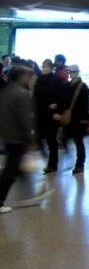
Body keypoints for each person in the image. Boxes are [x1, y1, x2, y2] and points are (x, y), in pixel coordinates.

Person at [0, 65, 44, 214]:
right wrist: (31, 139)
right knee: (11, 170)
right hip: (18, 137)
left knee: (14, 168)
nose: (29, 78)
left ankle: (30, 194)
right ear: (20, 76)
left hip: (9, 136)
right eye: (27, 75)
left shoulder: (6, 91)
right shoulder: (22, 93)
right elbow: (26, 120)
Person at [33, 59, 63, 174]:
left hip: (52, 115)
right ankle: (48, 160)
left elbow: (61, 97)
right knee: (41, 138)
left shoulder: (56, 79)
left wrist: (57, 109)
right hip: (41, 113)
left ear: (51, 67)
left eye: (46, 66)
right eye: (43, 66)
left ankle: (52, 164)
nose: (44, 68)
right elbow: (36, 95)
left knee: (51, 140)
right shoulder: (40, 79)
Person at [60, 65, 89, 175]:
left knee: (79, 142)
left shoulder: (82, 86)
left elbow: (85, 104)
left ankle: (80, 164)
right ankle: (74, 160)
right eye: (70, 72)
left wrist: (85, 119)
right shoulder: (67, 86)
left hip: (79, 119)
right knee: (64, 139)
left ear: (77, 73)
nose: (71, 74)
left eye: (73, 72)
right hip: (69, 119)